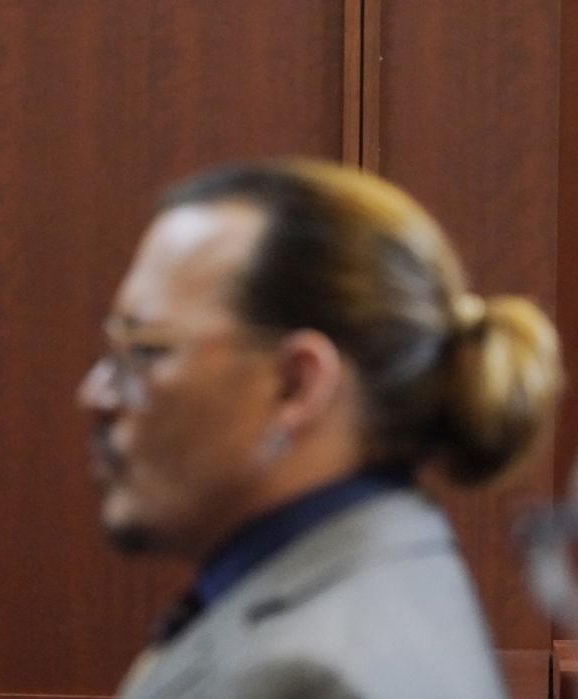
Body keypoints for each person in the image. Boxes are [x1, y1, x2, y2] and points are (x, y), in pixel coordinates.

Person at [78, 159, 562, 698]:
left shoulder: (305, 676)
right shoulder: (393, 557)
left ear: (296, 385)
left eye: (144, 351)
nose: (96, 395)